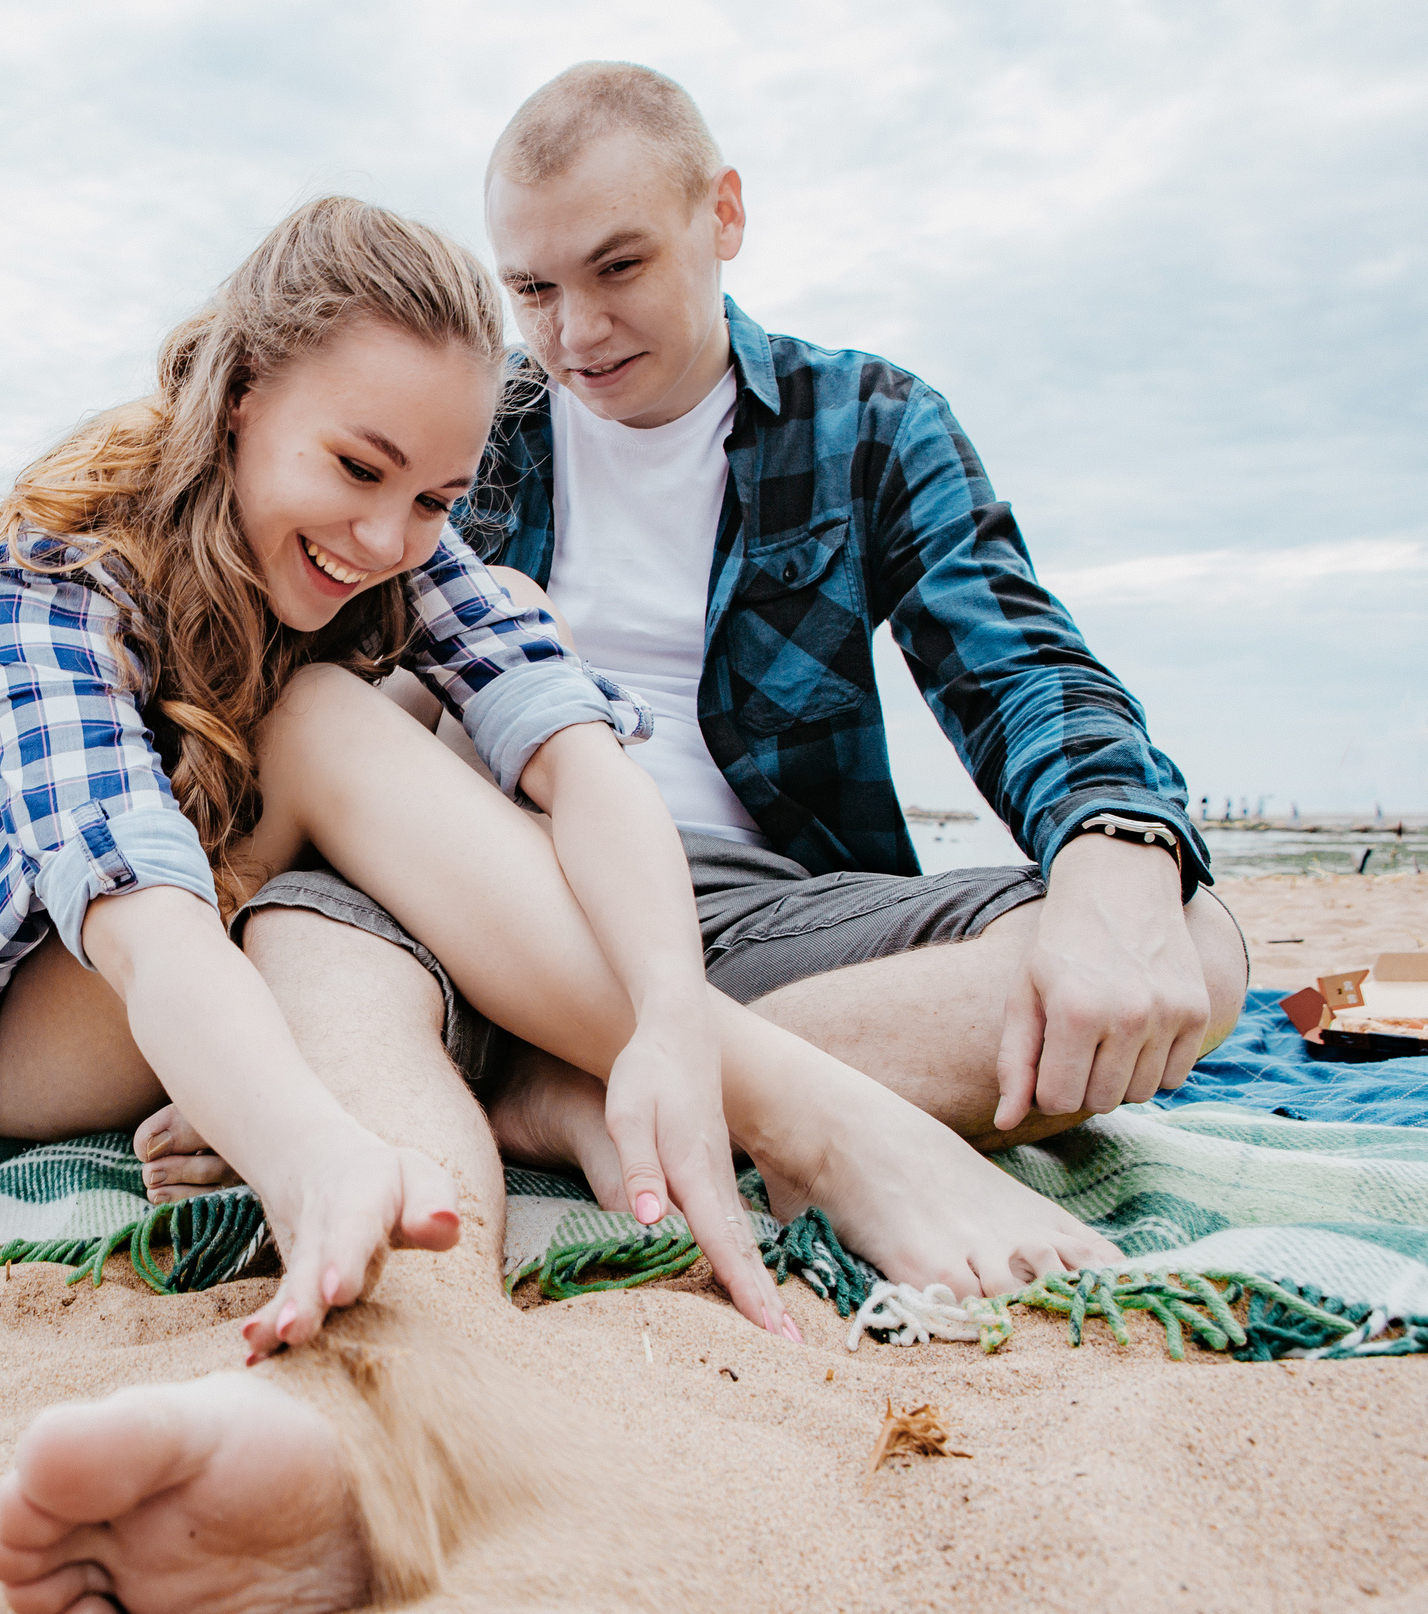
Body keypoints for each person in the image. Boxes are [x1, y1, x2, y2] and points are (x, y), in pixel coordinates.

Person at [0, 195, 1112, 1614]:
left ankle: (569, 1073)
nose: (387, 532)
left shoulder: (408, 534)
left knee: (459, 686)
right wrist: (306, 1142)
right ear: (242, 389)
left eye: (435, 496)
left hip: (257, 938)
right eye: (356, 467)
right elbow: (143, 920)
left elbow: (582, 759)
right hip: (58, 1020)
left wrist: (660, 1016)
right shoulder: (53, 581)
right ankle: (805, 1112)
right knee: (329, 707)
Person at [143, 63, 1249, 1263]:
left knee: (1186, 949)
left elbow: (1019, 667)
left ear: (721, 216)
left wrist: (1117, 852)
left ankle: (551, 1085)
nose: (574, 332)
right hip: (459, 899)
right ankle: (628, 1078)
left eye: (617, 268)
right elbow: (307, 703)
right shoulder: (456, 437)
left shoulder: (866, 423)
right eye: (532, 289)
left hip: (758, 914)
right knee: (315, 945)